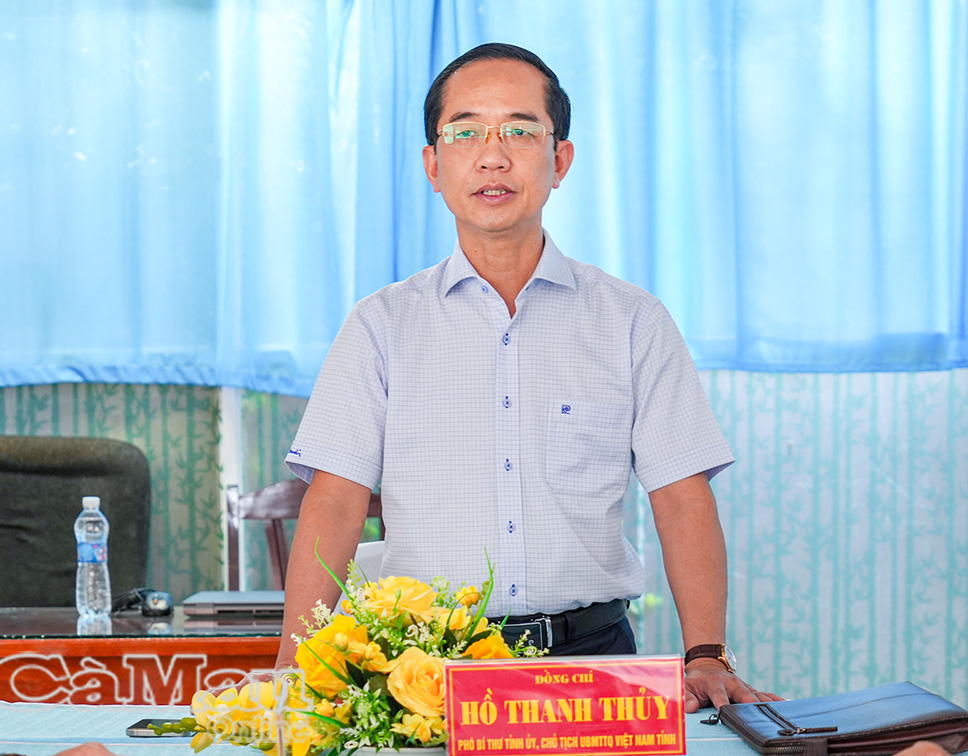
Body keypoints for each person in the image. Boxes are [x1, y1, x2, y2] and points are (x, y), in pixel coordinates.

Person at [277, 42, 773, 712]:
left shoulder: (633, 320)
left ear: (559, 160)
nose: (492, 156)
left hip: (592, 663)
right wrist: (292, 667)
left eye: (519, 131)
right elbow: (335, 502)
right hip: (426, 673)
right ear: (433, 165)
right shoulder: (380, 325)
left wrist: (706, 653)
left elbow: (681, 496)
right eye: (465, 133)